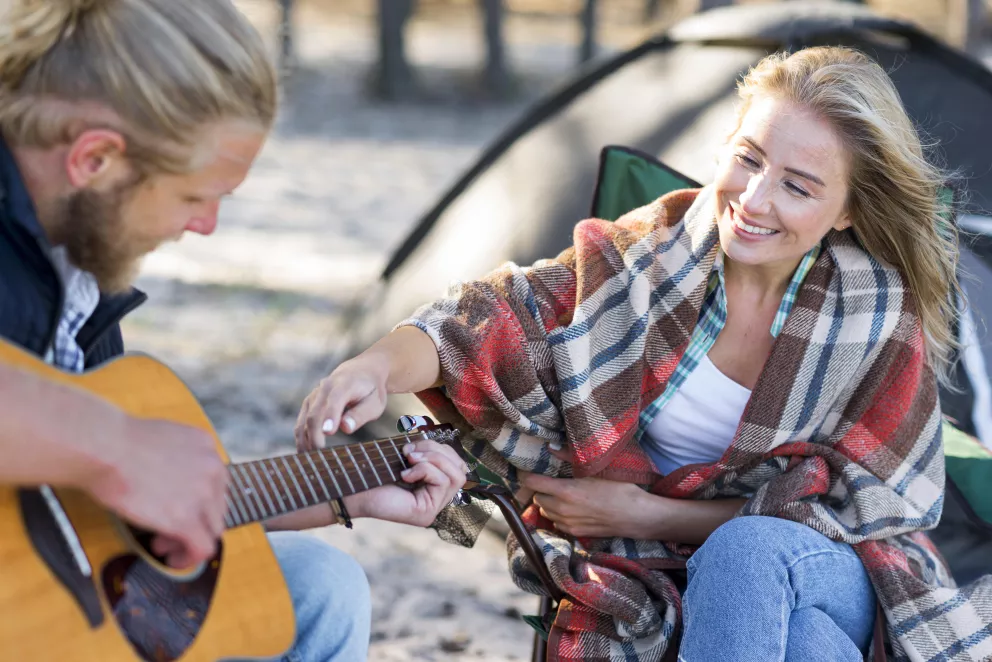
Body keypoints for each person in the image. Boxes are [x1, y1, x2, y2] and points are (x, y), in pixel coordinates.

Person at [296, 47, 992, 661]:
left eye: (797, 185)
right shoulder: (643, 263)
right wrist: (376, 366)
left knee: (747, 553)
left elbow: (869, 510)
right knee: (808, 647)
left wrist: (646, 517)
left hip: (839, 570)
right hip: (644, 571)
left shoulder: (873, 314)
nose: (753, 198)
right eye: (748, 158)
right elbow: (486, 320)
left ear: (845, 211)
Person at [0, 1, 466, 660]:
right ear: (95, 157)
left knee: (320, 585)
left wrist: (344, 496)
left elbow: (90, 521)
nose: (206, 226)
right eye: (195, 197)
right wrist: (119, 442)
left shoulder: (77, 266)